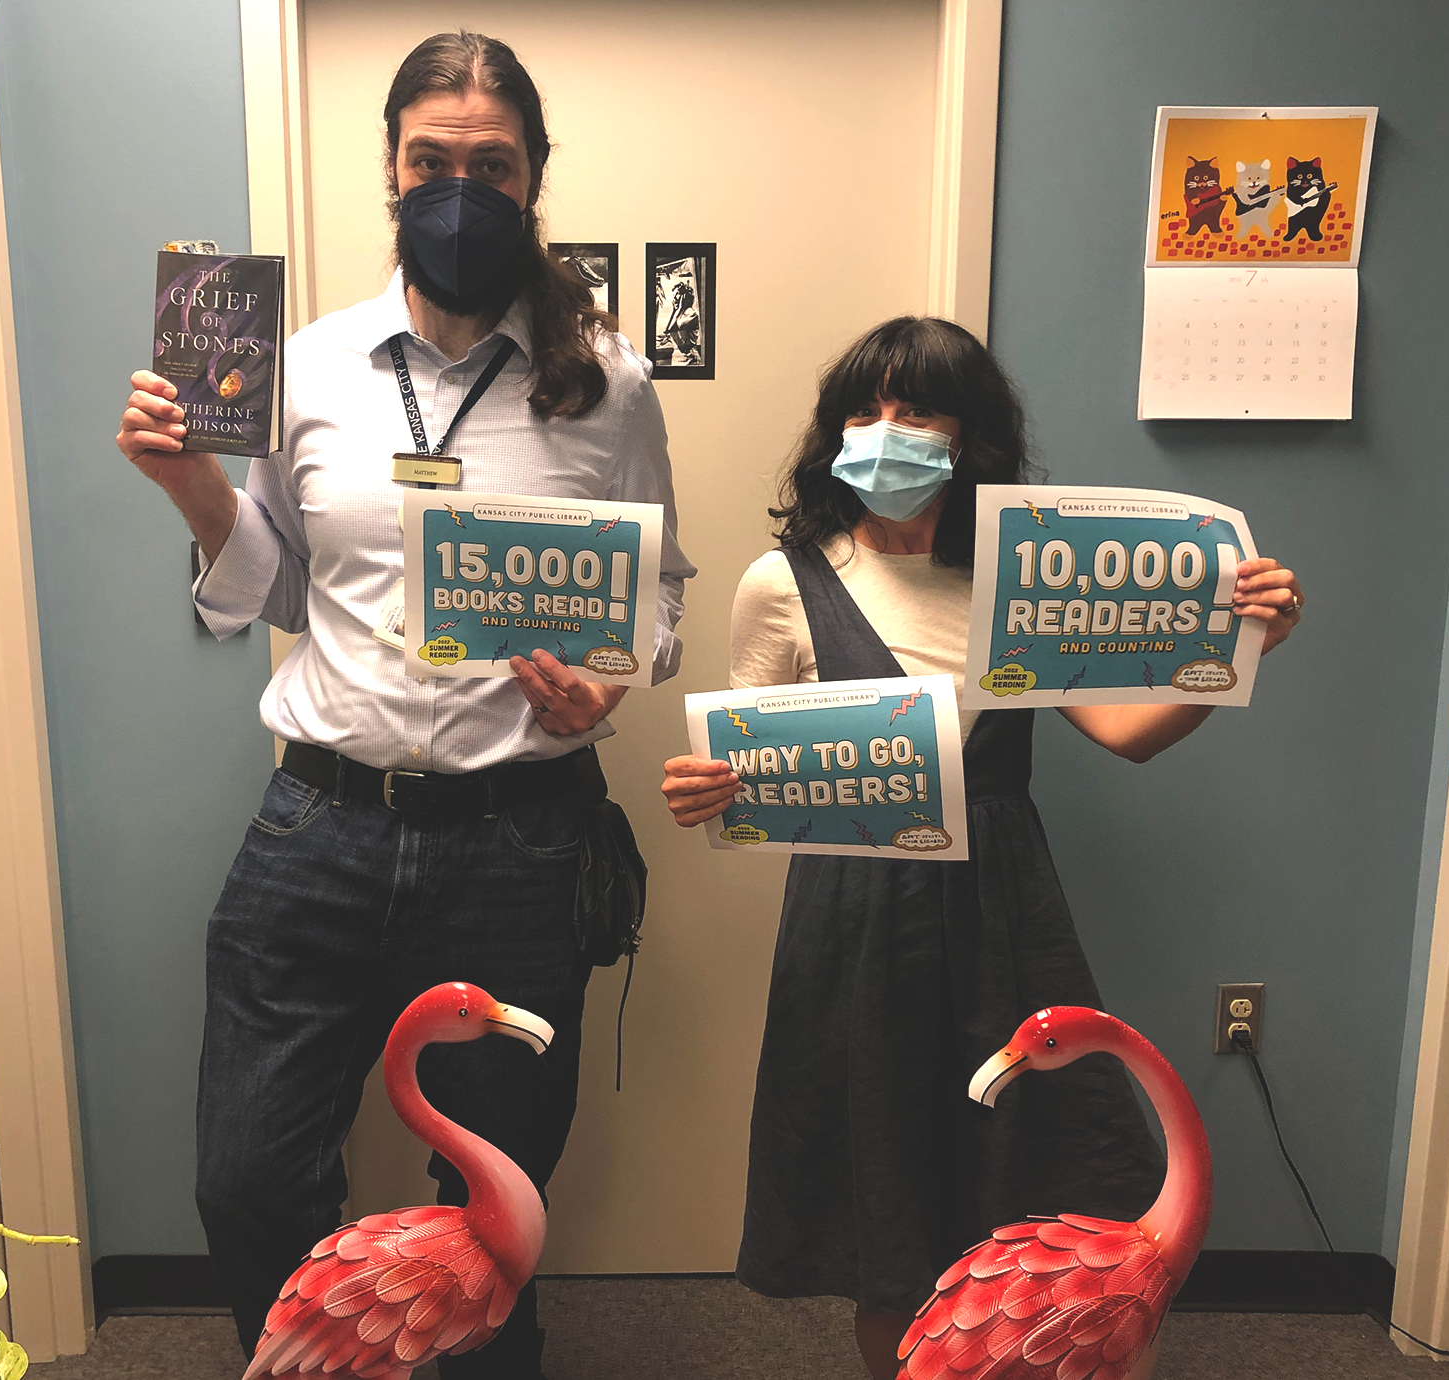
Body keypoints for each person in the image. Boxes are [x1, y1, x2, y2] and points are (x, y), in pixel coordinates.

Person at [114, 32, 692, 1379]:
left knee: (493, 1203)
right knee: (247, 1179)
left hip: (522, 838)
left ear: (533, 179)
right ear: (391, 167)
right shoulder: (305, 366)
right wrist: (192, 487)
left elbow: (659, 592)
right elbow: (277, 586)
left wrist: (611, 677)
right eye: (431, 161)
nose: (458, 191)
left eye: (492, 165)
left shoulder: (610, 383)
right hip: (319, 827)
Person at [658, 316, 1302, 1380]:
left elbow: (1126, 734)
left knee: (1035, 1174)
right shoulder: (781, 583)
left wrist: (1244, 646)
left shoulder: (1022, 583)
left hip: (1004, 909)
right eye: (863, 410)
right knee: (883, 1207)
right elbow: (754, 766)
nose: (885, 431)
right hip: (856, 921)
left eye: (916, 410)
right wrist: (708, 789)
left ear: (969, 437)